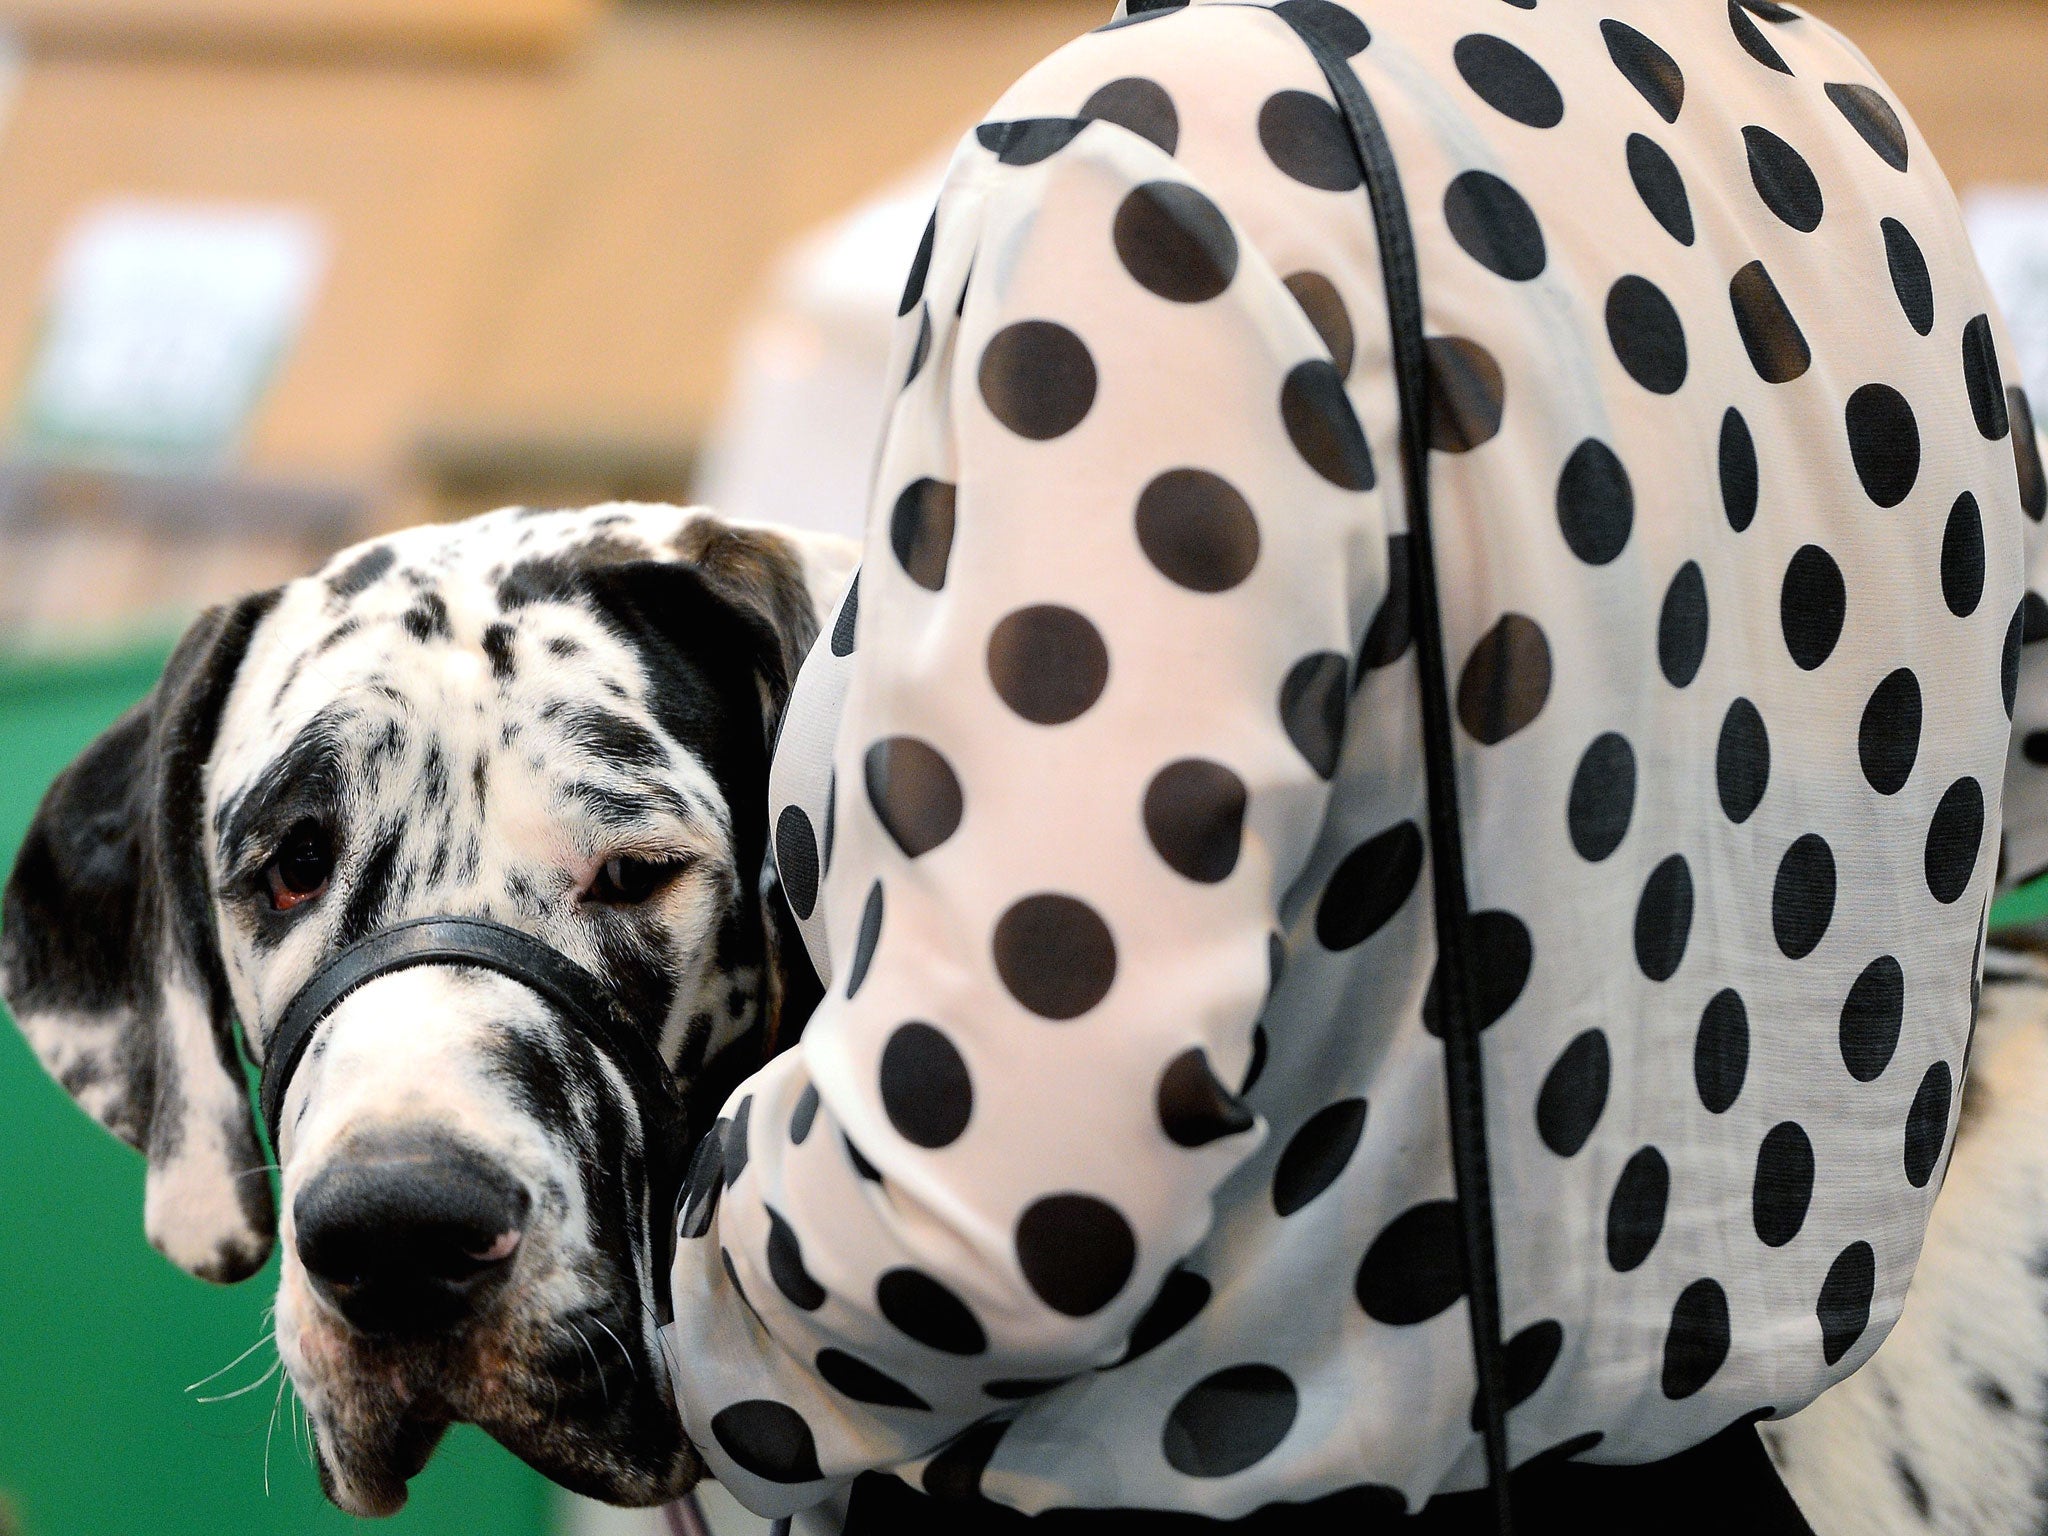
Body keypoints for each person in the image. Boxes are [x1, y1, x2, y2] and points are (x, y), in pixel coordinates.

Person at [663, 1, 2048, 1531]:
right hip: (1715, 1485)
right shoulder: (1820, 113)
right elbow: (1993, 773)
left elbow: (995, 1216)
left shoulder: (1153, 160)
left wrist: (681, 1303)